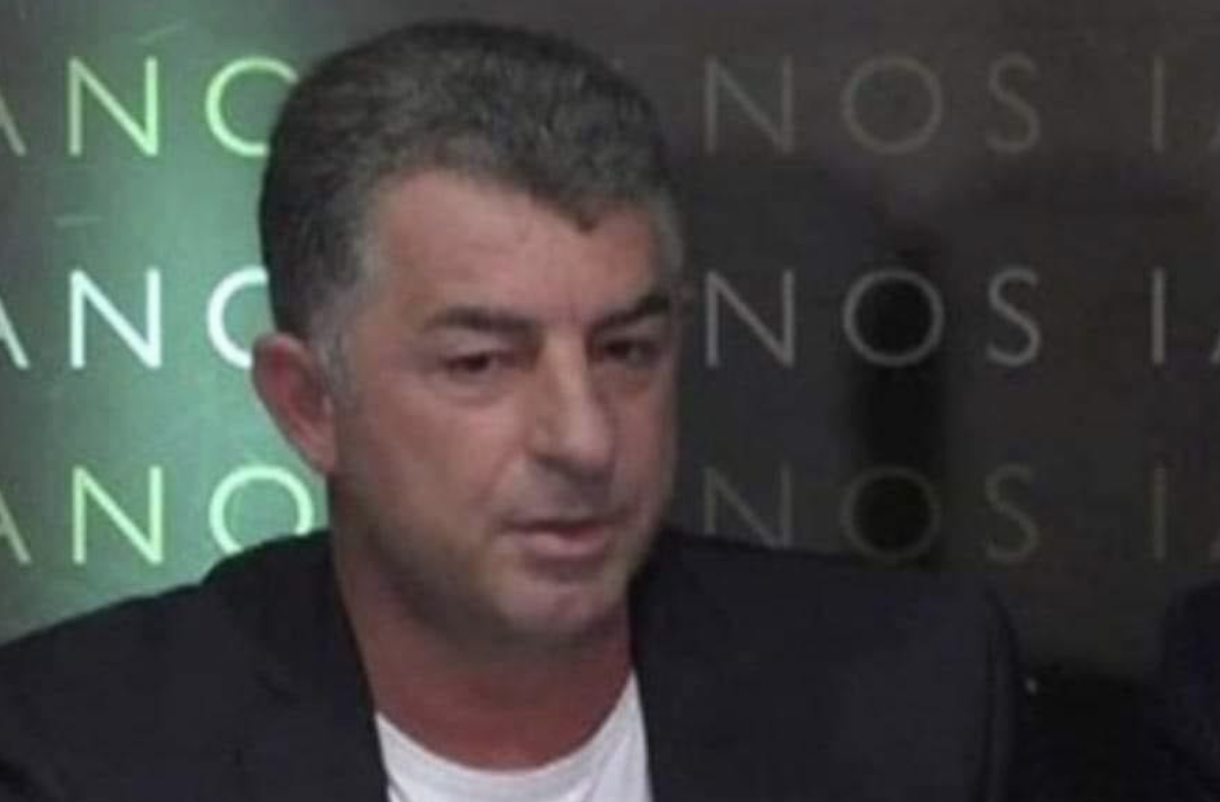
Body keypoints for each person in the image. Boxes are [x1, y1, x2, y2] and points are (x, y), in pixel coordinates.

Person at [0, 19, 1020, 802]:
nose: (584, 438)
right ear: (308, 404)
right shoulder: (81, 751)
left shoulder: (908, 697)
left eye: (625, 350)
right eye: (481, 362)